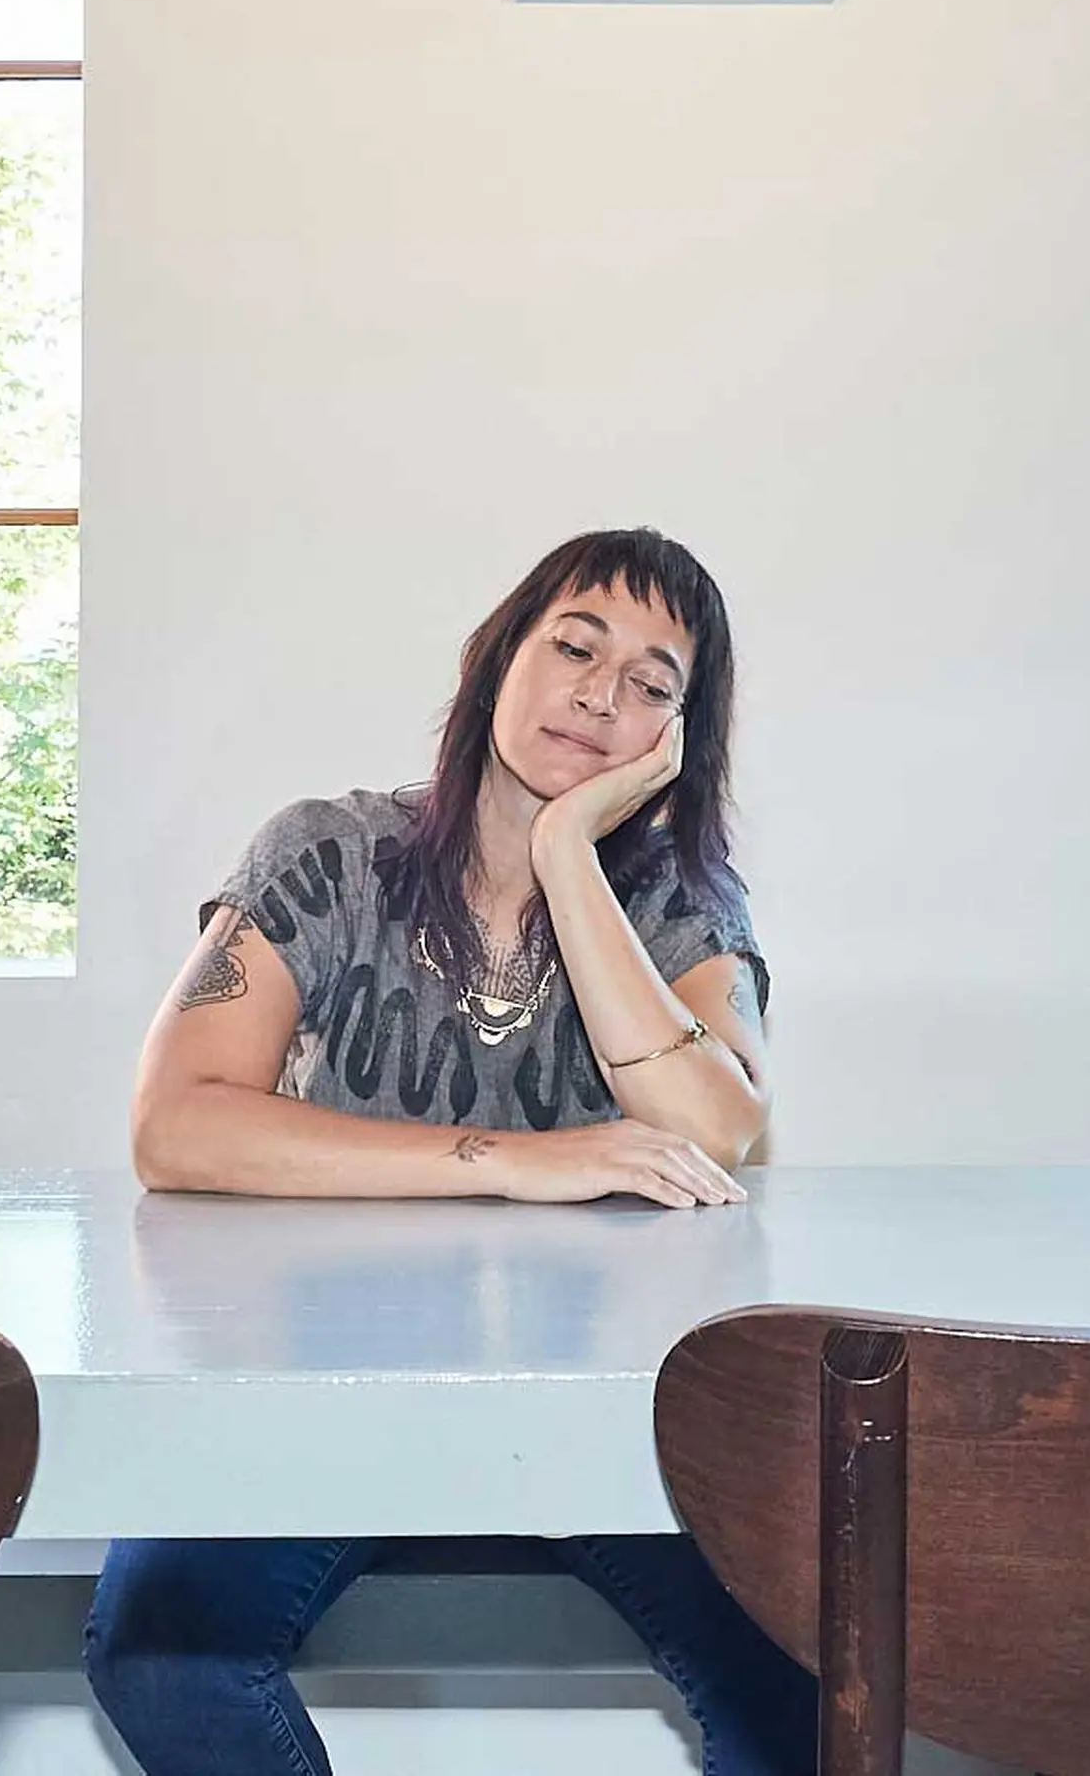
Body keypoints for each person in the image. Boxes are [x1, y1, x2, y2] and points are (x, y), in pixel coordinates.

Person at [84, 527, 811, 1775]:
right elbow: (176, 1123)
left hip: (616, 1412)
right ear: (498, 659)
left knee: (799, 1668)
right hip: (325, 1388)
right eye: (574, 648)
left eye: (652, 683)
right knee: (156, 1650)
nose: (602, 695)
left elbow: (718, 1128)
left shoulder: (681, 900)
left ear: (676, 741)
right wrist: (511, 1161)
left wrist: (568, 857)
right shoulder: (327, 855)